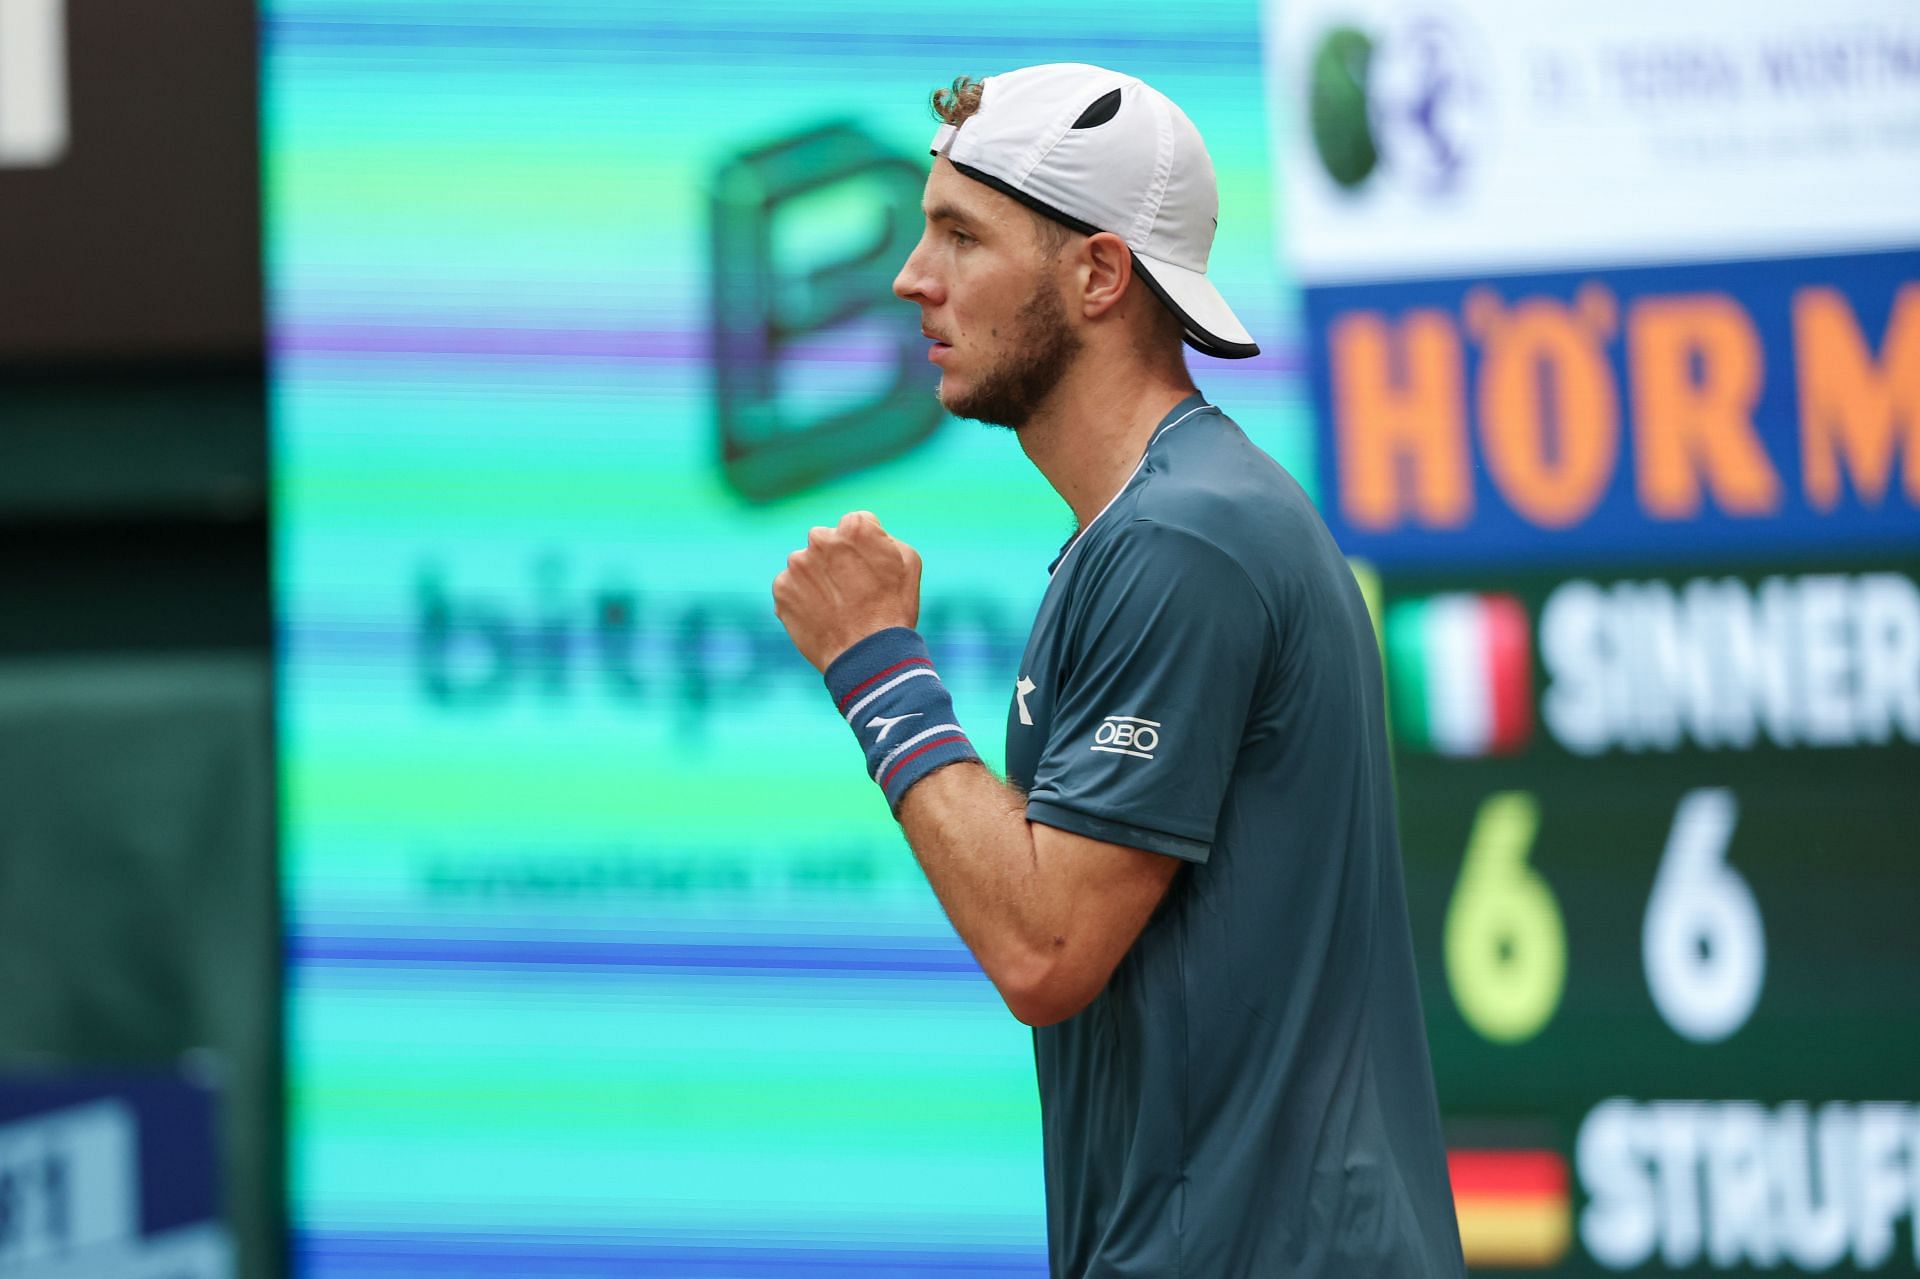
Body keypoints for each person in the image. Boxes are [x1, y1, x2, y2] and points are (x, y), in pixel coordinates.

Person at [771, 63, 1465, 1277]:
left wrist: (879, 668)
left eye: (959, 234)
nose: (909, 277)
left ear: (1098, 274)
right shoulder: (1161, 524)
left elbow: (1045, 949)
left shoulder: (1180, 539)